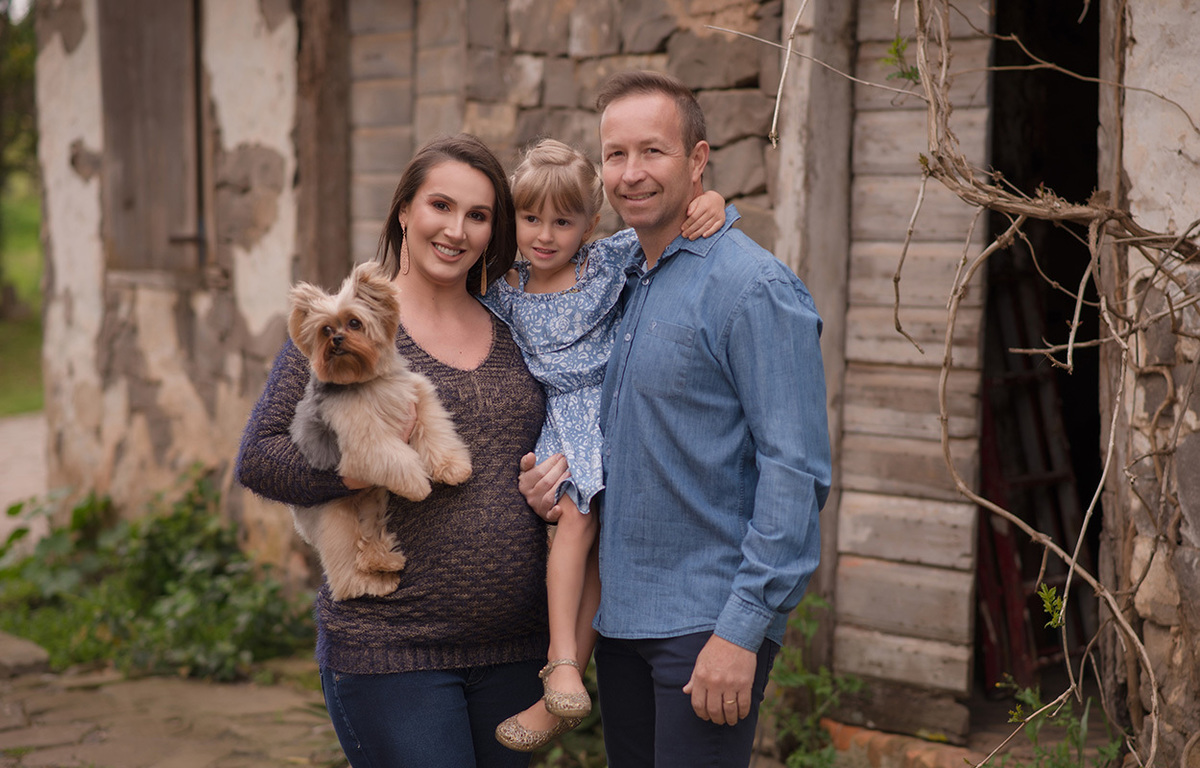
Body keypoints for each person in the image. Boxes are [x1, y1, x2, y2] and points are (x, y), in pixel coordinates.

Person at [521, 71, 832, 766]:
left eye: (653, 152)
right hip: (622, 617)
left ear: (698, 160)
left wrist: (742, 632)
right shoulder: (616, 276)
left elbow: (796, 473)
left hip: (706, 623)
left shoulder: (751, 289)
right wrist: (551, 483)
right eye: (615, 155)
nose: (631, 174)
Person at [236, 134, 551, 768]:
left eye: (479, 215)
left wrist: (553, 482)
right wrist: (351, 471)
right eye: (441, 205)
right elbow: (259, 457)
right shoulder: (349, 328)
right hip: (392, 652)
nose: (456, 229)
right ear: (404, 210)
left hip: (516, 650)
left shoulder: (518, 325)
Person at [479, 138, 725, 752]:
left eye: (563, 222)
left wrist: (712, 198)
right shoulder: (503, 287)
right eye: (531, 219)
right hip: (564, 422)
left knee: (602, 546)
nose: (544, 235)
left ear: (590, 225)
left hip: (617, 411)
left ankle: (564, 683)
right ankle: (562, 665)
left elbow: (674, 232)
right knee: (575, 521)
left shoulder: (606, 262)